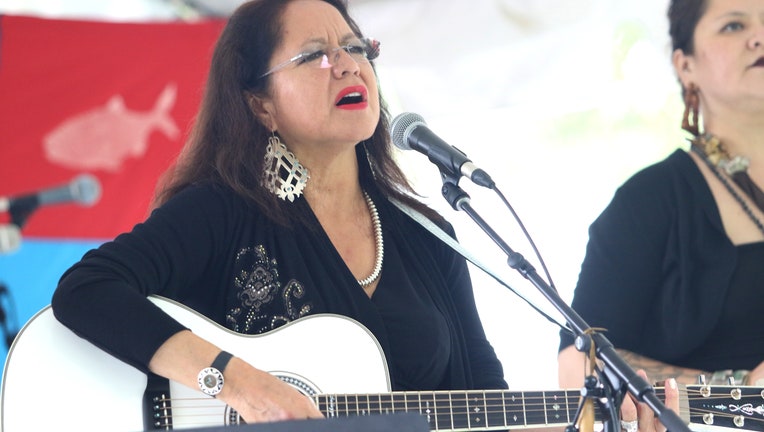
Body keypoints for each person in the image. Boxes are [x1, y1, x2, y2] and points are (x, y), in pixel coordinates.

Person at [51, 0, 509, 424]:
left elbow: (488, 398)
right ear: (261, 105)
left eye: (355, 48)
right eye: (315, 56)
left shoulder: (429, 237)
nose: (348, 64)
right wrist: (236, 383)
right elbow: (87, 290)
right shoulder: (221, 212)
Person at [558, 0, 764, 390]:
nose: (760, 37)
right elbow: (577, 364)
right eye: (734, 27)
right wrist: (740, 385)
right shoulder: (648, 201)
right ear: (685, 66)